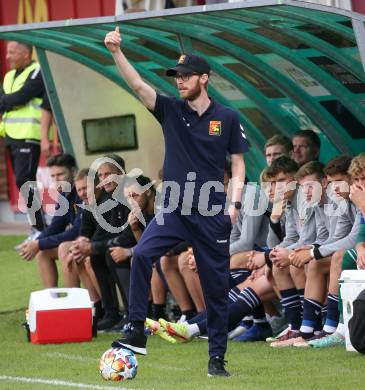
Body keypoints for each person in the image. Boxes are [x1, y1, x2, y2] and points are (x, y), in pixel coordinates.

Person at [104, 27, 248, 377]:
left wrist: (234, 207)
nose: (180, 82)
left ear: (204, 79)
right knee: (142, 255)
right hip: (175, 210)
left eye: (186, 77)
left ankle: (217, 359)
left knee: (216, 291)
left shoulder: (227, 117)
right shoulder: (169, 109)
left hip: (213, 214)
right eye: (177, 77)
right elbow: (138, 85)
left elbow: (239, 165)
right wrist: (115, 52)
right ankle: (136, 328)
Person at [0, 41, 46, 239]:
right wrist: (10, 102)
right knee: (23, 183)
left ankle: (39, 229)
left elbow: (20, 97)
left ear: (26, 54)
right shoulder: (9, 75)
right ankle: (38, 228)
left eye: (12, 52)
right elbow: (6, 100)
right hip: (10, 134)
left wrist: (10, 101)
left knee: (24, 180)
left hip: (28, 134)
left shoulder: (37, 71)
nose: (7, 56)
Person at [19, 153, 81, 288]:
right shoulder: (63, 194)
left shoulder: (82, 192)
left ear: (73, 172)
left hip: (94, 241)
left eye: (60, 174)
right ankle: (51, 301)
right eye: (53, 176)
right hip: (81, 242)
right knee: (43, 252)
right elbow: (56, 226)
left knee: (64, 248)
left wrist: (39, 243)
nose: (56, 179)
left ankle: (73, 304)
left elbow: (77, 231)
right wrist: (36, 242)